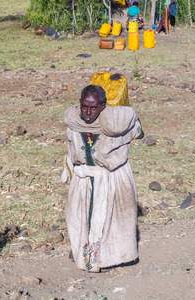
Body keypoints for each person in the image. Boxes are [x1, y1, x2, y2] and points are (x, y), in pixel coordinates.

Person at [61, 85, 143, 272]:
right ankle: (81, 250)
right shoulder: (74, 123)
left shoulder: (117, 124)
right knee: (77, 215)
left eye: (93, 108)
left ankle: (107, 258)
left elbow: (137, 132)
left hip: (110, 178)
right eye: (84, 107)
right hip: (83, 177)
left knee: (111, 219)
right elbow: (71, 146)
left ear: (103, 106)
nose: (88, 113)